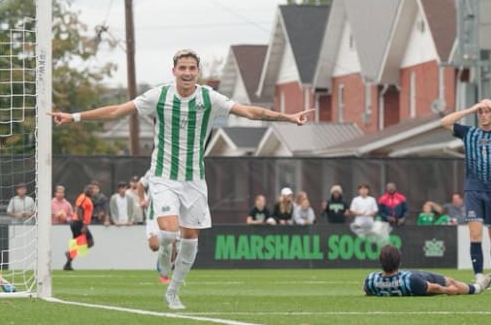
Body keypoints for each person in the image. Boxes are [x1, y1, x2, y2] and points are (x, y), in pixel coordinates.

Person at [49, 48, 312, 310]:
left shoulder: (209, 97)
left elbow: (250, 112)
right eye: (182, 68)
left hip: (195, 180)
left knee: (191, 239)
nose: (187, 73)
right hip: (163, 176)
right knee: (168, 232)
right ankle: (164, 257)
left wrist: (288, 117)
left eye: (191, 68)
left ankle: (173, 292)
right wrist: (73, 117)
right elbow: (118, 110)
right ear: (173, 71)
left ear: (198, 72)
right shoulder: (159, 96)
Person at [440, 98, 491, 291]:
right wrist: (471, 108)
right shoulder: (469, 133)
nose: (484, 114)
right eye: (481, 112)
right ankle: (478, 278)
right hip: (473, 191)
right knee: (475, 235)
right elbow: (445, 122)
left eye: (487, 111)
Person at [364, 244, 491, 296]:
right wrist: (449, 291)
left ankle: (476, 287)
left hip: (401, 279)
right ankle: (477, 288)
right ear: (399, 263)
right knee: (449, 281)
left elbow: (366, 290)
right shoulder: (411, 280)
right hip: (414, 280)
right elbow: (435, 287)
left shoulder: (371, 280)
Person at [137, 172, 179, 283]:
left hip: (169, 213)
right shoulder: (153, 170)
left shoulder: (177, 171)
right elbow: (140, 185)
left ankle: (164, 274)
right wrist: (141, 200)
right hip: (153, 216)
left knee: (170, 244)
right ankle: (163, 258)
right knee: (154, 246)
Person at [63, 184, 95, 271]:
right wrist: (83, 224)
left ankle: (67, 264)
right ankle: (69, 253)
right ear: (86, 190)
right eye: (91, 190)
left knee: (78, 243)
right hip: (78, 223)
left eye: (93, 190)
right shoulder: (83, 197)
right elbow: (79, 210)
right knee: (90, 242)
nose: (93, 192)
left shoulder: (86, 198)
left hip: (77, 223)